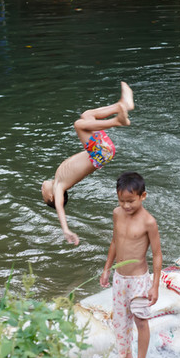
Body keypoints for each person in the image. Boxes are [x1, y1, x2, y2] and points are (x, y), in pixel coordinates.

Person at [41, 82, 134, 246]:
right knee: (79, 124)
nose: (41, 188)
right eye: (42, 193)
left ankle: (123, 105)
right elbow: (60, 209)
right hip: (100, 154)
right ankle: (117, 121)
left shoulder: (60, 177)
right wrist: (66, 230)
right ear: (51, 197)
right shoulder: (59, 186)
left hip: (101, 151)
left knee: (86, 116)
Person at [99, 172, 163, 358]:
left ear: (143, 196)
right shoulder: (117, 213)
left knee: (141, 321)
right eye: (121, 201)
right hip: (120, 278)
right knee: (120, 322)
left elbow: (157, 254)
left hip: (138, 281)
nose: (126, 206)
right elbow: (114, 242)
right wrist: (106, 269)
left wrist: (155, 286)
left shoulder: (148, 222)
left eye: (130, 201)